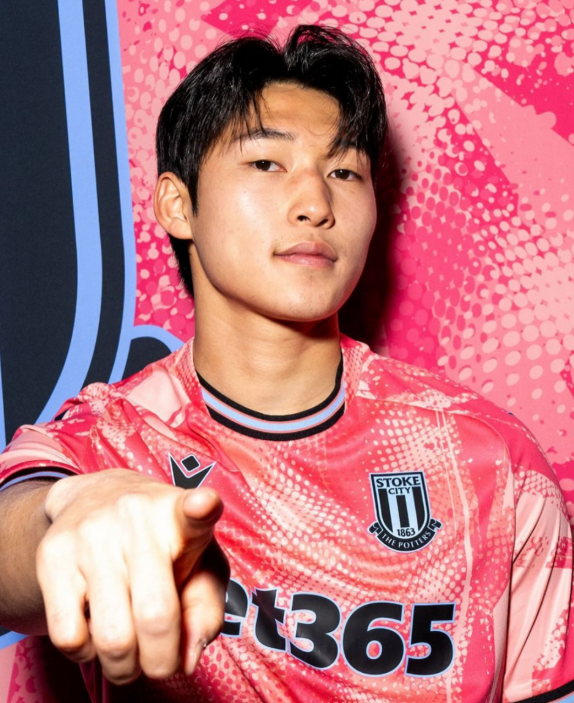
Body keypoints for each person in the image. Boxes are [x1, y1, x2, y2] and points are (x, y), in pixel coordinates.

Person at [0, 24, 572, 703]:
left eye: (344, 172)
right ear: (177, 204)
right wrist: (73, 512)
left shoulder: (486, 456)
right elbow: (15, 537)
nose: (315, 205)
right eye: (268, 164)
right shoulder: (109, 441)